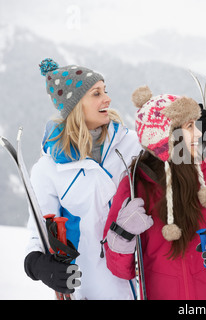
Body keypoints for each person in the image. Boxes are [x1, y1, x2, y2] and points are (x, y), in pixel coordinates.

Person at [102, 85, 206, 300]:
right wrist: (122, 236)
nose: (199, 133)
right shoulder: (135, 186)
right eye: (189, 126)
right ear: (167, 137)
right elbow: (120, 270)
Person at [24, 58, 143, 300]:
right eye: (96, 93)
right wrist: (38, 265)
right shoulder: (49, 169)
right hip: (93, 290)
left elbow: (172, 167)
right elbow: (39, 234)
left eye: (105, 91)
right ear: (76, 105)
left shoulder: (133, 144)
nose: (107, 99)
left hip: (145, 284)